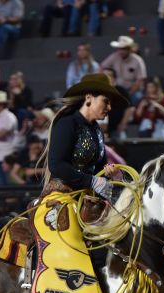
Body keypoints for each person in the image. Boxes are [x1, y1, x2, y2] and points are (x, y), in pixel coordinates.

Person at [37, 72, 129, 245]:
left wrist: (110, 175)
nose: (109, 108)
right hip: (63, 195)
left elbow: (100, 168)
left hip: (87, 198)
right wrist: (91, 181)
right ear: (89, 98)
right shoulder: (67, 123)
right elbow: (56, 165)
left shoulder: (96, 130)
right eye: (106, 101)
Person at [100, 36, 146, 104]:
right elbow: (102, 67)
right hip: (116, 88)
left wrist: (129, 93)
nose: (121, 51)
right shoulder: (114, 56)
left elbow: (140, 80)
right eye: (119, 49)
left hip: (131, 90)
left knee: (137, 97)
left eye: (123, 49)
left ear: (129, 49)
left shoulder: (137, 60)